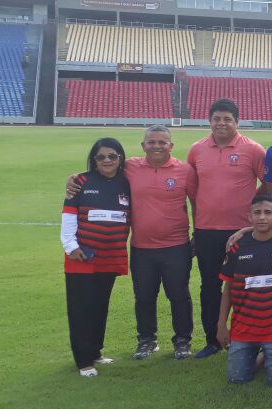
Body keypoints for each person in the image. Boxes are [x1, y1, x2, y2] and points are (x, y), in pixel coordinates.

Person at [66, 125, 196, 360]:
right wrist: (75, 178)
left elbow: (197, 203)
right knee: (144, 296)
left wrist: (197, 234)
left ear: (171, 145)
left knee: (178, 294)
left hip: (176, 245)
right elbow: (104, 167)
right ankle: (147, 340)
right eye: (152, 142)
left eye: (162, 142)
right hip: (141, 247)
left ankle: (182, 341)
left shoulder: (185, 170)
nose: (157, 146)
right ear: (143, 145)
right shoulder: (131, 167)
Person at [187, 98, 266, 358]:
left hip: (242, 231)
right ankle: (212, 339)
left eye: (227, 119)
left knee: (246, 285)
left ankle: (247, 337)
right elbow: (192, 190)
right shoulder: (196, 150)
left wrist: (252, 214)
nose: (221, 124)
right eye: (217, 119)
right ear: (209, 121)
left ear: (237, 122)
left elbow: (268, 185)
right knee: (209, 286)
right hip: (207, 231)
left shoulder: (253, 150)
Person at [61, 138, 131, 377]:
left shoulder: (127, 182)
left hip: (110, 256)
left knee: (100, 306)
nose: (107, 161)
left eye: (112, 156)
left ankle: (95, 352)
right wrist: (70, 246)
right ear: (94, 160)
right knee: (81, 308)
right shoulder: (81, 181)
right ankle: (83, 361)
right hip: (82, 257)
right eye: (101, 157)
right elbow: (68, 215)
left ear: (120, 158)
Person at [217, 195, 272, 385]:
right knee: (237, 379)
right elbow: (228, 287)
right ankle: (265, 354)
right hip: (244, 328)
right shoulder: (237, 246)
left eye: (268, 213)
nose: (262, 218)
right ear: (249, 217)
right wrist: (221, 324)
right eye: (257, 213)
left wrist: (246, 229)